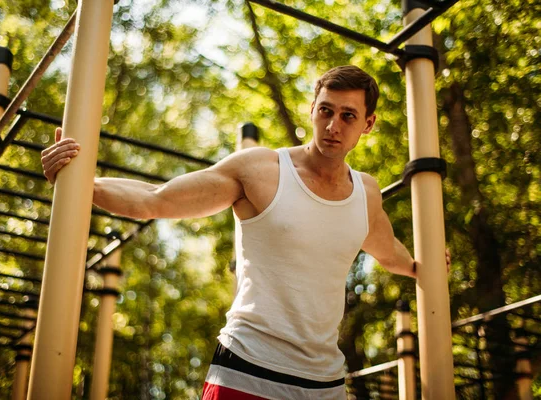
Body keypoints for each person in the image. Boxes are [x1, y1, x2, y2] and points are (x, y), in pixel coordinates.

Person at [41, 65, 450, 400]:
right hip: (247, 370)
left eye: (348, 116)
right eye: (325, 111)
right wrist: (84, 184)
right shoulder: (261, 170)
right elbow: (157, 198)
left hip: (325, 384)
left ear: (368, 124)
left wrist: (421, 267)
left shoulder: (367, 193)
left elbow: (388, 252)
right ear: (312, 110)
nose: (333, 125)